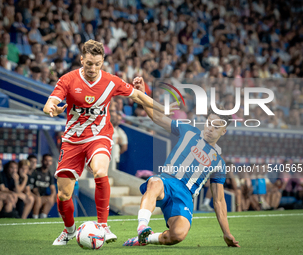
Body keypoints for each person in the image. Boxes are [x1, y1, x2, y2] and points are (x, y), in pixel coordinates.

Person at [43, 40, 168, 245]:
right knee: (64, 194)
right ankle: (69, 230)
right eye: (89, 63)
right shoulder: (68, 79)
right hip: (72, 140)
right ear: (82, 59)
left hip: (99, 136)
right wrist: (52, 108)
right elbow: (51, 101)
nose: (93, 68)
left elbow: (138, 95)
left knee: (101, 171)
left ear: (103, 62)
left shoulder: (111, 81)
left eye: (97, 64)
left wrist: (163, 109)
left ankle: (103, 225)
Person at [123, 78, 240, 247]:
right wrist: (143, 94)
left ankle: (144, 239)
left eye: (216, 126)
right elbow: (157, 117)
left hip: (185, 197)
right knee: (154, 182)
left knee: (177, 235)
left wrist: (227, 233)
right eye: (209, 123)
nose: (210, 128)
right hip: (167, 182)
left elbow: (219, 201)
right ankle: (142, 227)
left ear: (224, 131)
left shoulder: (219, 163)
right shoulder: (188, 130)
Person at [31, 154, 56, 219]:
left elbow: (53, 189)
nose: (48, 163)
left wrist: (52, 196)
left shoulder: (50, 174)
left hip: (43, 196)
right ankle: (35, 218)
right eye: (46, 160)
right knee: (38, 199)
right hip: (34, 195)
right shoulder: (36, 171)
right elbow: (34, 188)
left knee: (53, 198)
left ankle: (43, 217)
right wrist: (37, 196)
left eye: (49, 161)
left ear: (51, 162)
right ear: (42, 161)